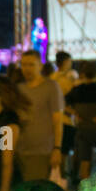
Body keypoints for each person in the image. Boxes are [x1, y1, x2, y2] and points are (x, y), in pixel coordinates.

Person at [16, 49, 63, 183]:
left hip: (42, 151)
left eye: (31, 65)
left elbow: (57, 120)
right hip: (20, 151)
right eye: (24, 65)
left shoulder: (51, 87)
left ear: (40, 66)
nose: (27, 69)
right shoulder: (19, 89)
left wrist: (57, 148)